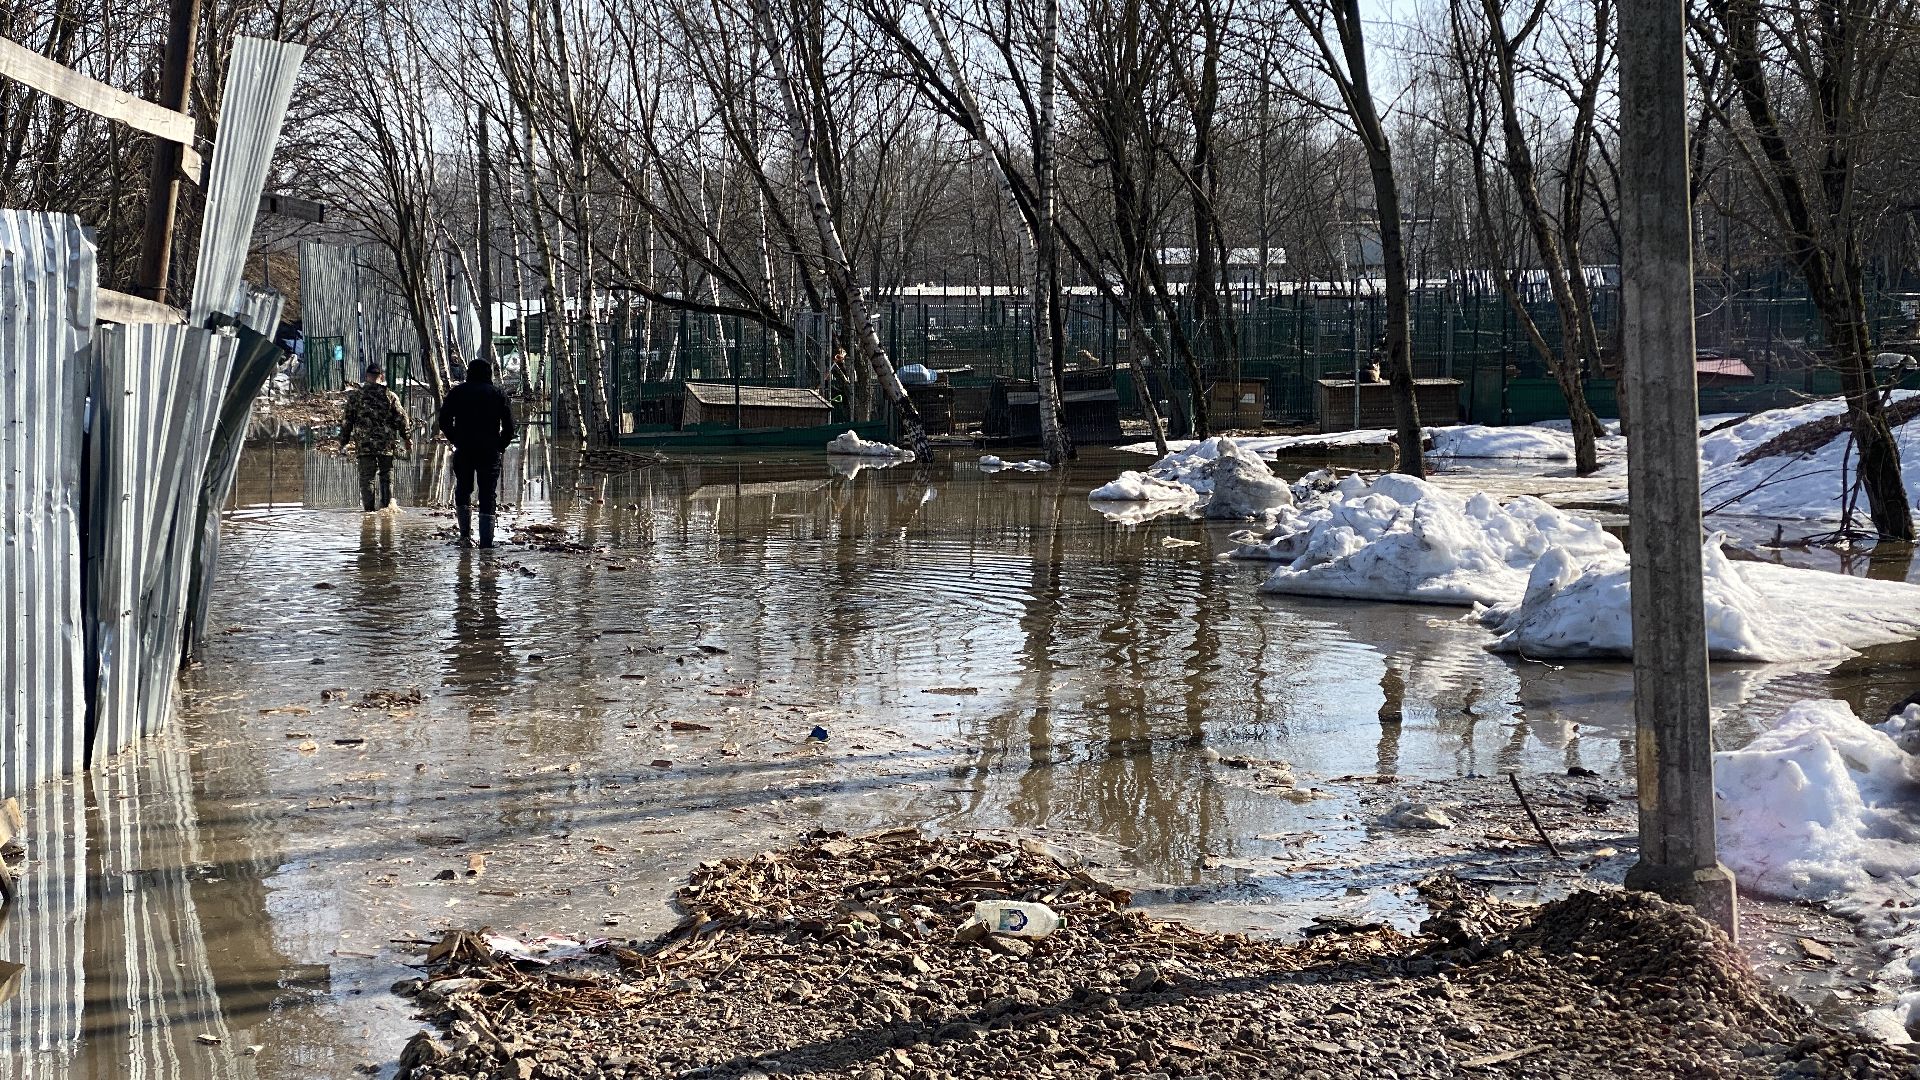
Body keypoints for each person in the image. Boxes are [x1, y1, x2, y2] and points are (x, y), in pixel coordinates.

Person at [437, 358, 517, 548]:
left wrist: (455, 438)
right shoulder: (498, 393)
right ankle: (486, 544)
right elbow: (510, 426)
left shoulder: (457, 392)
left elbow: (443, 420)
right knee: (488, 493)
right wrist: (501, 445)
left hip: (464, 449)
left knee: (463, 488)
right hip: (489, 451)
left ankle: (465, 536)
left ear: (469, 372)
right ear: (488, 373)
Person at [339, 362, 412, 512]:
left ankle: (369, 512)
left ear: (366, 376)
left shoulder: (355, 396)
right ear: (382, 377)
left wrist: (344, 441)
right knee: (386, 475)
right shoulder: (390, 396)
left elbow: (347, 421)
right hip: (385, 444)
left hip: (364, 444)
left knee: (367, 478)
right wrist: (407, 438)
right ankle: (386, 508)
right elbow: (401, 418)